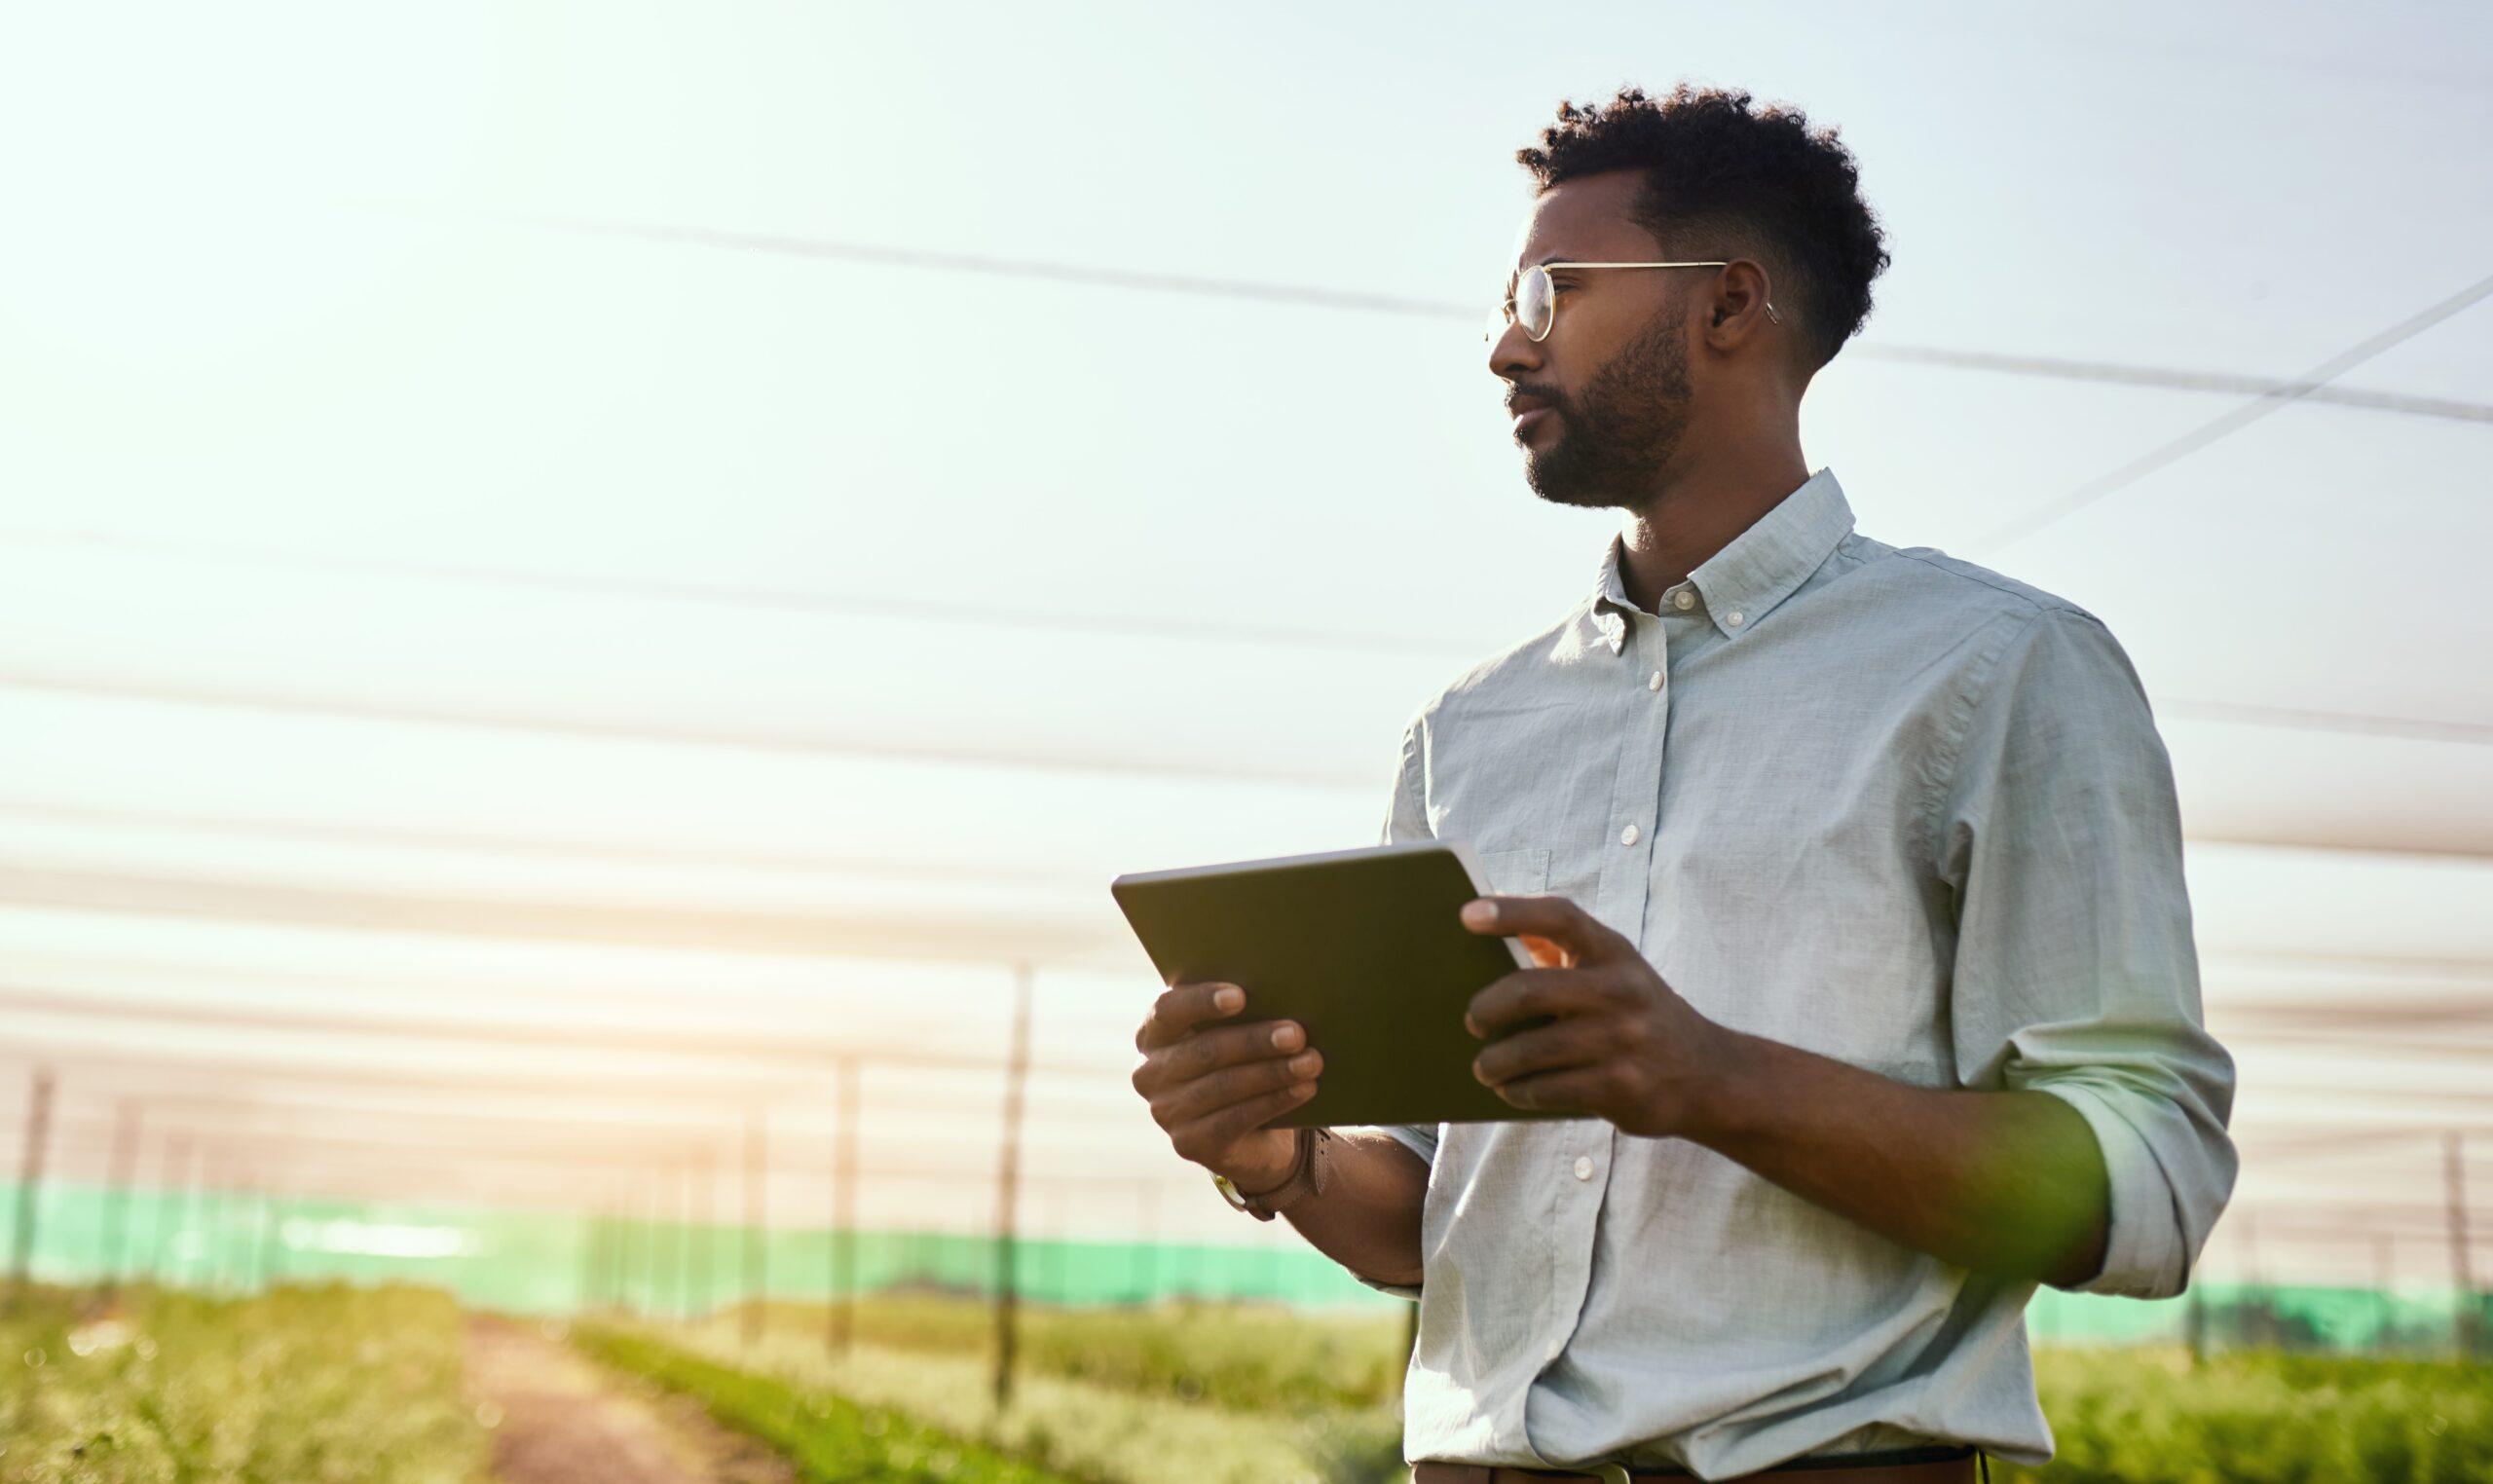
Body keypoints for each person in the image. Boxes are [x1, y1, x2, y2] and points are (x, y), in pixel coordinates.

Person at [1127, 83, 2236, 1483]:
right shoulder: (1468, 728)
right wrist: (1283, 1159)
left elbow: (2144, 1182)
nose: (1506, 347)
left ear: (1728, 307)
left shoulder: (2001, 669)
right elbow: (1433, 1215)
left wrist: (1711, 1076)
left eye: (1552, 289)